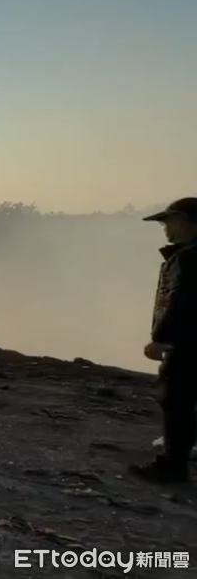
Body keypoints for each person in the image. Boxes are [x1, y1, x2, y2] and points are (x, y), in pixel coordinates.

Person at [131, 197, 197, 483]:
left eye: (168, 221)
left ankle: (173, 467)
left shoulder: (187, 258)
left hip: (187, 344)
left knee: (177, 403)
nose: (164, 227)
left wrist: (161, 338)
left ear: (184, 221)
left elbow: (179, 301)